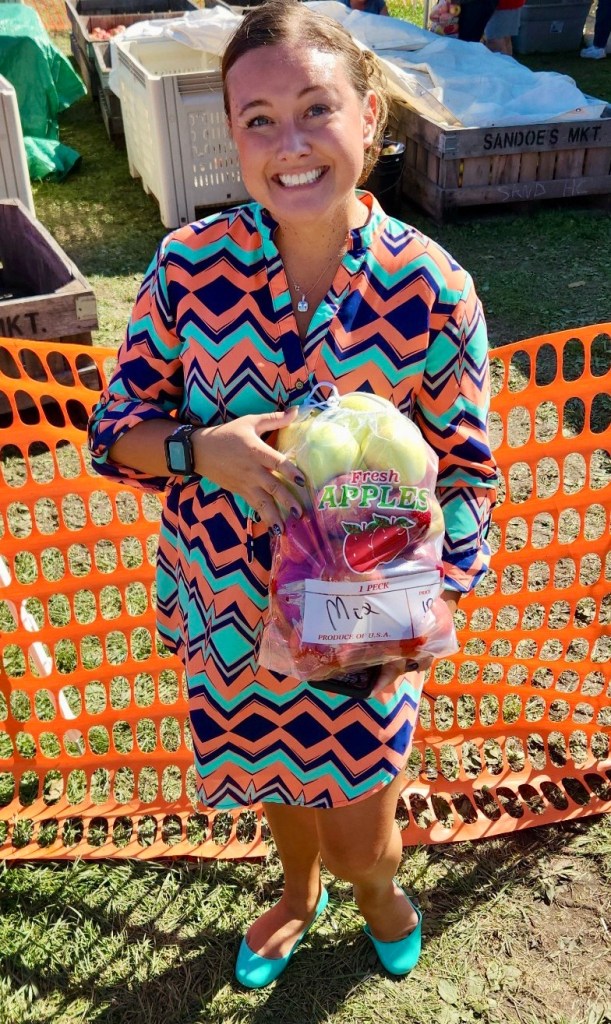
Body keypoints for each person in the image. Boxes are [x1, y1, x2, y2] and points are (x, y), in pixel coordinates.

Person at [88, 0, 497, 988]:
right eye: (257, 120)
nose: (290, 144)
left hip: (363, 627)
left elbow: (468, 477)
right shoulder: (187, 270)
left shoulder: (431, 291)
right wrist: (198, 449)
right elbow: (116, 435)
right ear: (232, 137)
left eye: (315, 108)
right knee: (277, 777)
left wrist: (429, 606)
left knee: (360, 828)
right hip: (229, 615)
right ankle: (295, 891)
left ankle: (372, 887)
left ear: (368, 116)